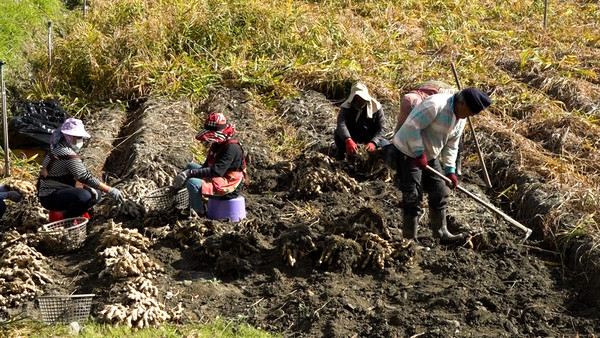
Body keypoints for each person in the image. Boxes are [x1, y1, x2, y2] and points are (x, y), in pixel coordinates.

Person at [393, 88, 491, 243]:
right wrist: (419, 152)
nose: (470, 116)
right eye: (470, 112)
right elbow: (411, 127)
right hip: (407, 150)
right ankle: (409, 240)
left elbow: (452, 145)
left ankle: (441, 232)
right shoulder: (435, 105)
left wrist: (450, 170)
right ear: (461, 102)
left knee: (440, 191)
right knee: (413, 196)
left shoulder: (461, 118)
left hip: (429, 155)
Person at [37, 118, 123, 219]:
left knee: (95, 193)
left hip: (56, 191)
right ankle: (63, 217)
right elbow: (84, 176)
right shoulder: (66, 153)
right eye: (77, 138)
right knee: (84, 196)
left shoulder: (58, 148)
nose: (80, 141)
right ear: (68, 137)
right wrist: (109, 190)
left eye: (81, 138)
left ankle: (72, 212)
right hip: (49, 195)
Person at [173, 112, 246, 215]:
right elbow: (207, 166)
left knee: (193, 183)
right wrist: (189, 172)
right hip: (219, 175)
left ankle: (199, 212)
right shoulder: (217, 144)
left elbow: (216, 172)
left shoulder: (231, 148)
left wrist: (189, 174)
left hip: (229, 185)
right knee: (190, 166)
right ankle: (187, 200)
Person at [334, 82, 389, 160]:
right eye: (356, 99)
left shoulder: (376, 108)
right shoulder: (346, 107)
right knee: (337, 134)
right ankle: (341, 156)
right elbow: (341, 125)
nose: (358, 101)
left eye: (361, 99)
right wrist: (348, 139)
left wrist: (373, 142)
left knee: (386, 146)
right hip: (353, 136)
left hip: (370, 137)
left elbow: (382, 128)